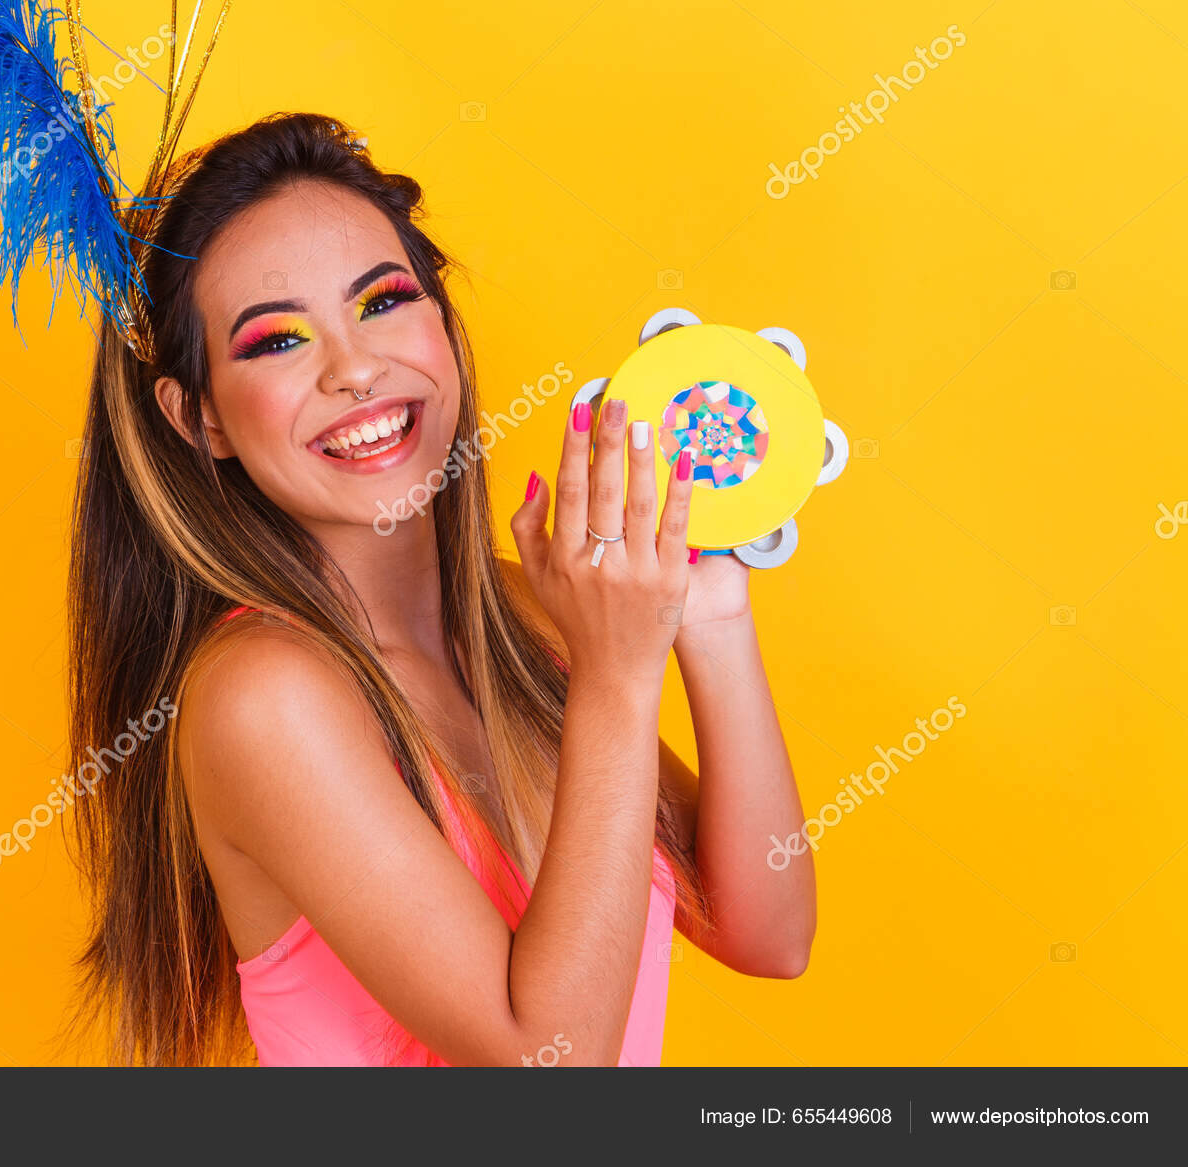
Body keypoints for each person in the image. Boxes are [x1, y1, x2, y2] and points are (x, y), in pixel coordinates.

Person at [65, 112, 816, 1067]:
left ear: (443, 325)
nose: (357, 369)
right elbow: (553, 1060)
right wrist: (620, 674)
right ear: (200, 415)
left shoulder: (529, 617)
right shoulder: (264, 696)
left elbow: (769, 933)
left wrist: (705, 617)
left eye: (381, 303)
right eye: (276, 342)